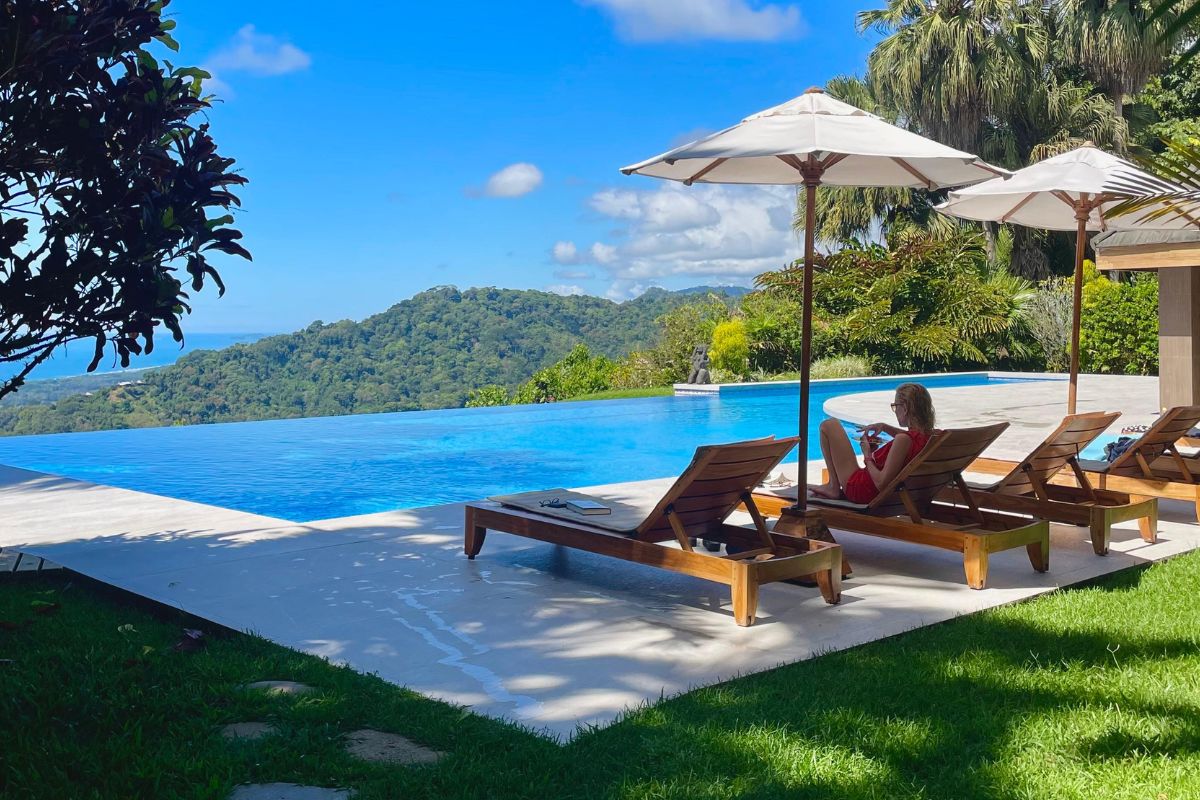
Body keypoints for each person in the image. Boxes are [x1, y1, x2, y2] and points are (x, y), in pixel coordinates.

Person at [809, 382, 936, 503]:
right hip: (899, 496)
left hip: (861, 490)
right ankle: (832, 486)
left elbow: (881, 483)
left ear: (905, 408)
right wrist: (884, 427)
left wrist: (867, 455)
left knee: (829, 425)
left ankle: (833, 486)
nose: (895, 410)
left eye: (895, 406)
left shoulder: (903, 440)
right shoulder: (931, 437)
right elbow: (912, 436)